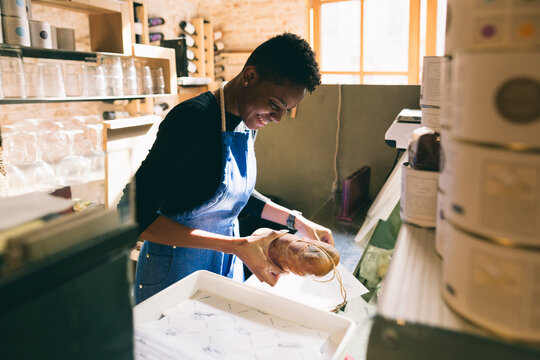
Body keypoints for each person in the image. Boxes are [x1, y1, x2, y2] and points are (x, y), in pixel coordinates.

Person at [132, 32, 333, 304]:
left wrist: (297, 221)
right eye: (275, 105)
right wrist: (237, 247)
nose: (277, 118)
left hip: (225, 262)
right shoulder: (192, 120)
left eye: (287, 110)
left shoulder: (245, 123)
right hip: (175, 270)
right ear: (249, 76)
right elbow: (135, 219)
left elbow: (232, 193)